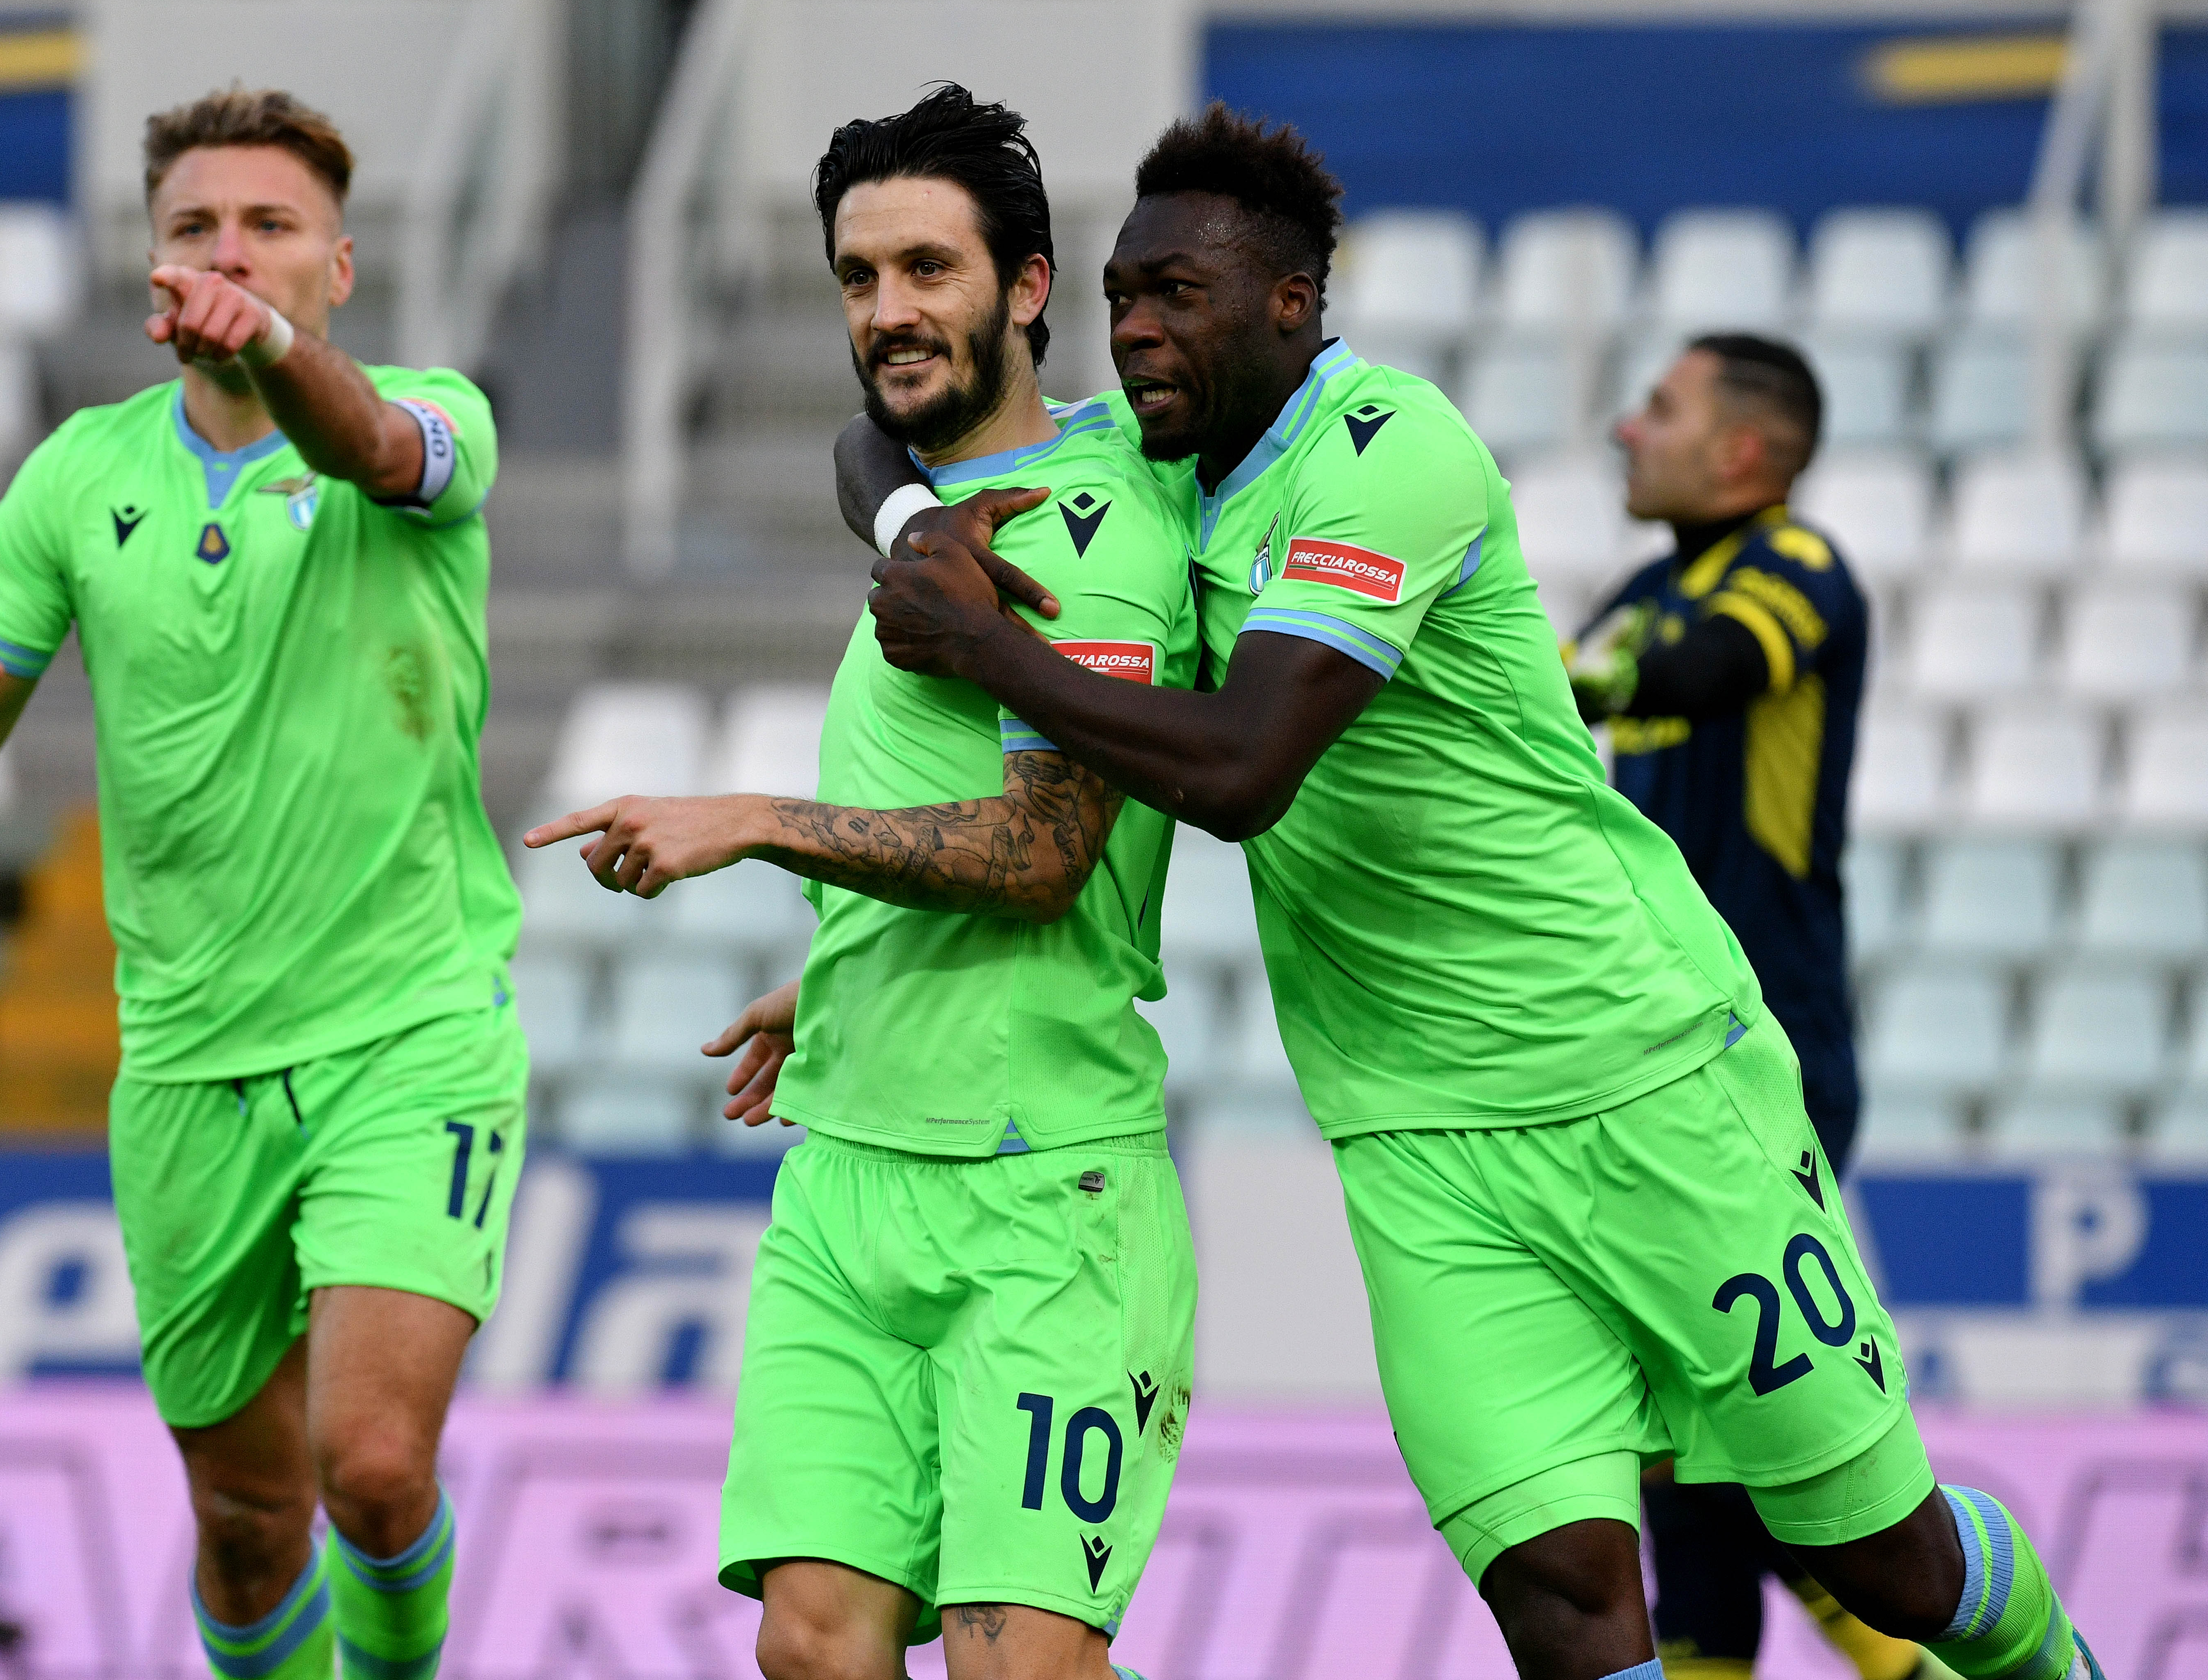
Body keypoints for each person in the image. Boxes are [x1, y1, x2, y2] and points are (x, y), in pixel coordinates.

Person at [837, 105, 2102, 1680]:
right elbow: (875, 439)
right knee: (1561, 1596)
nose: (1138, 330)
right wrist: (914, 524)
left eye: (1179, 296)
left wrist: (987, 645)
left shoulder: (1393, 454)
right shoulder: (1143, 474)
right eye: (1121, 297)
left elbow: (1243, 768)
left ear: (1291, 303)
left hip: (1637, 1071)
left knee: (1880, 1558)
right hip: (1413, 1139)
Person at [524, 85, 1190, 1680]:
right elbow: (865, 456)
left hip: (1041, 1193)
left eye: (928, 269)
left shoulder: (1092, 528)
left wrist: (760, 821)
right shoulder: (925, 506)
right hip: (850, 1170)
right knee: (813, 1648)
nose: (888, 311)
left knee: (1018, 1668)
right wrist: (843, 969)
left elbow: (1044, 854)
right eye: (857, 275)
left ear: (1028, 287)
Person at [0, 87, 523, 1680]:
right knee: (244, 1520)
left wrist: (278, 357)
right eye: (195, 228)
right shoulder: (74, 477)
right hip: (183, 1065)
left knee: (373, 1467)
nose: (229, 252)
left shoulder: (431, 417)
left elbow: (370, 447)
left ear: (338, 267)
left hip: (410, 1033)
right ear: (151, 262)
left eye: (270, 227)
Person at [1579, 336, 1940, 1680]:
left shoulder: (1799, 569)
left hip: (1769, 1053)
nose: (1628, 429)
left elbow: (1704, 672)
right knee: (1688, 1435)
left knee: (1717, 1431)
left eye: (1660, 408)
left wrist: (1557, 681)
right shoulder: (1643, 593)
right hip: (1649, 1056)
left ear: (1744, 452)